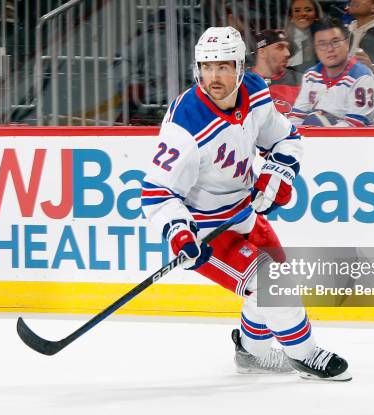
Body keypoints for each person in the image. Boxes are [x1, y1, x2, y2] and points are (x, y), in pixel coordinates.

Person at [141, 26, 351, 381]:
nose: (214, 77)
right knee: (271, 283)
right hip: (206, 230)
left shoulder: (255, 91)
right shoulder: (185, 122)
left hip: (243, 213)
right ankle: (305, 355)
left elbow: (285, 139)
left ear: (239, 67)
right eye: (207, 67)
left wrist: (276, 174)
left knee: (277, 281)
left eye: (222, 66)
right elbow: (157, 193)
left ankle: (252, 352)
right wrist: (179, 234)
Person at [291, 17, 374, 127]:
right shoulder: (310, 76)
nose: (329, 49)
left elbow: (355, 126)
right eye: (322, 44)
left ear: (348, 42)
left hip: (364, 141)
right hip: (319, 139)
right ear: (314, 48)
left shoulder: (363, 78)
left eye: (335, 42)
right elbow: (297, 117)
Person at [251, 29, 303, 116]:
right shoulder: (241, 82)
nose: (287, 53)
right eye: (280, 47)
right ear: (262, 52)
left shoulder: (301, 81)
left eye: (287, 48)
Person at [284, 0, 324, 71]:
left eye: (308, 10)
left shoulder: (325, 37)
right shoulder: (282, 39)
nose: (303, 14)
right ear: (291, 16)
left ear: (316, 15)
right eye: (297, 10)